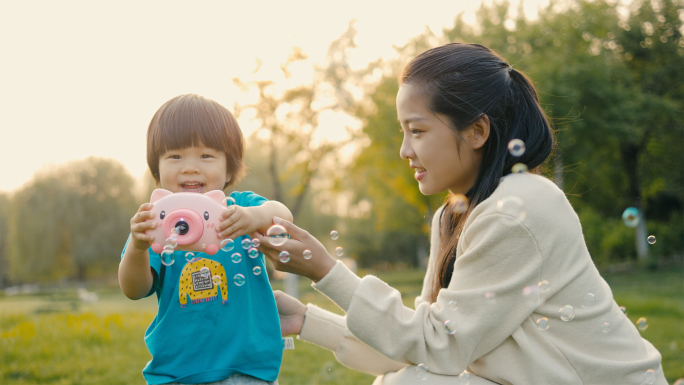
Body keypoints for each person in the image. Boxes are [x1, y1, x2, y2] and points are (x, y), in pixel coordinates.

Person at [253, 43, 667, 384]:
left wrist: (327, 270)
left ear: (476, 131)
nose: (404, 150)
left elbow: (439, 348)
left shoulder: (517, 211)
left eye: (416, 131)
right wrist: (305, 319)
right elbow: (419, 345)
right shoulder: (453, 215)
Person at [118, 94, 293, 385]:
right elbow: (134, 289)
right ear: (157, 168)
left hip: (248, 369)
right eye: (175, 156)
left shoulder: (239, 209)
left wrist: (255, 217)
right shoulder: (156, 221)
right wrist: (138, 246)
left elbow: (282, 216)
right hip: (178, 373)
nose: (189, 167)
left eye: (206, 155)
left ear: (229, 168)